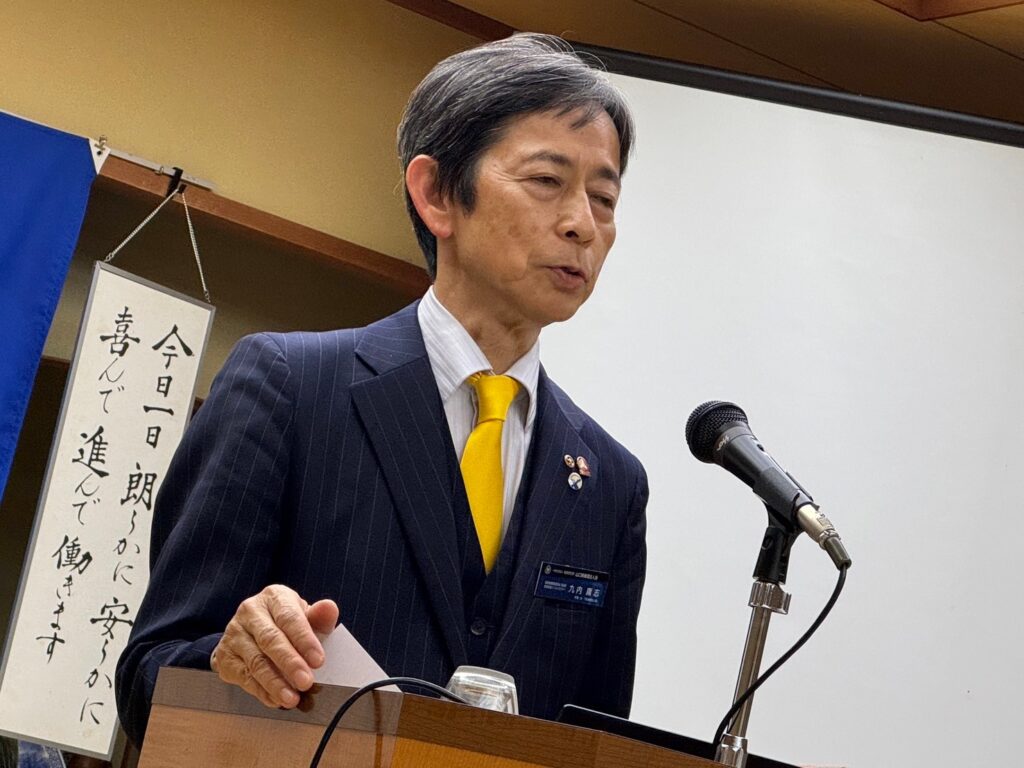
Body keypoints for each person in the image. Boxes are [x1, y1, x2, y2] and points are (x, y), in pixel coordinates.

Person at [115, 32, 648, 747]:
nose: (583, 223)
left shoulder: (611, 483)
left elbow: (597, 748)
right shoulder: (287, 388)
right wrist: (231, 659)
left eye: (604, 197)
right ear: (436, 195)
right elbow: (148, 680)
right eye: (547, 181)